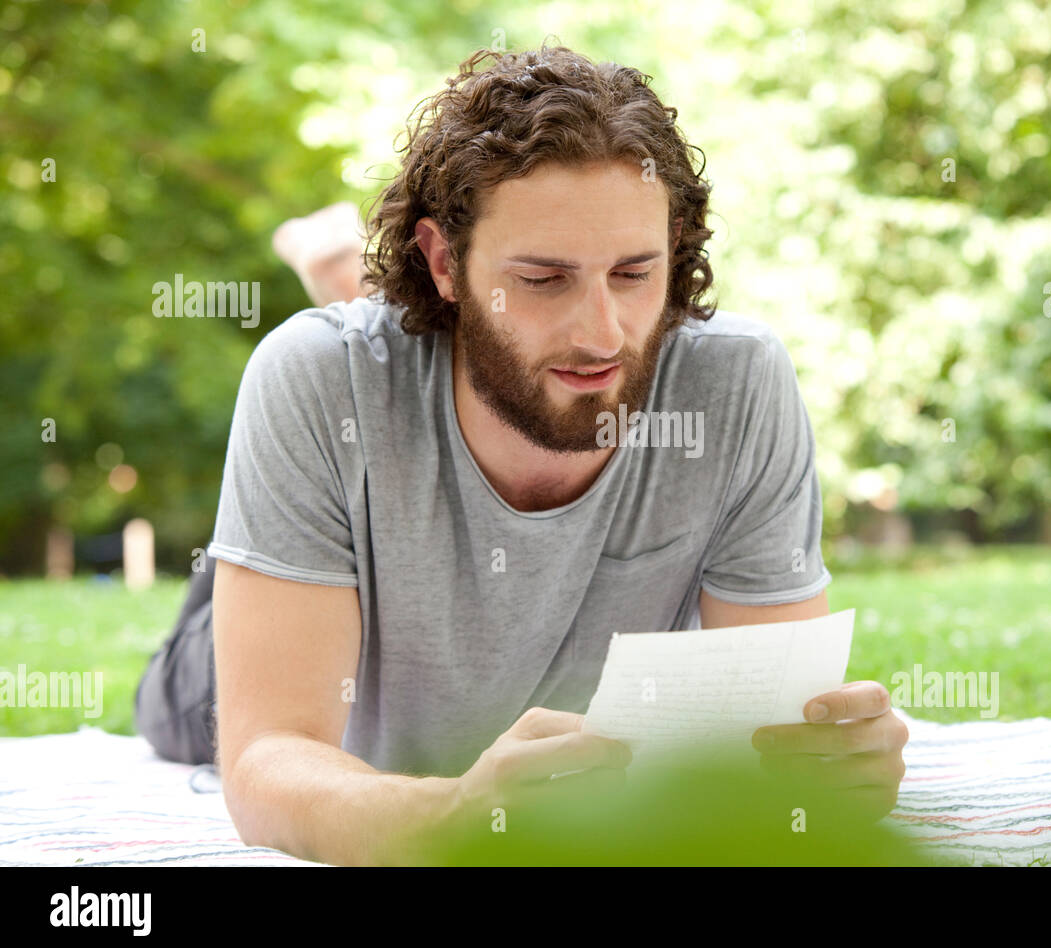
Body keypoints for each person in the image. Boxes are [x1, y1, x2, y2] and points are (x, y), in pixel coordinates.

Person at [134, 43, 908, 866]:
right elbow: (267, 761)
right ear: (443, 261)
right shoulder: (315, 383)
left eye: (634, 272)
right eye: (543, 279)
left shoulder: (738, 383)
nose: (603, 334)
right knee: (191, 709)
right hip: (331, 611)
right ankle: (338, 273)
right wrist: (458, 819)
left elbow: (773, 740)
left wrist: (829, 765)